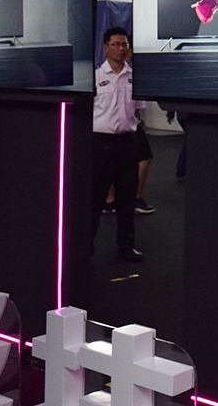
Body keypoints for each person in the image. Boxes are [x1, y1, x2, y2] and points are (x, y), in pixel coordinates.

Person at [91, 27, 146, 262]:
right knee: (94, 199)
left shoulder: (134, 77)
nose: (121, 49)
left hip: (127, 143)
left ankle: (126, 247)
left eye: (124, 45)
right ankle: (85, 247)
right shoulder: (95, 77)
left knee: (127, 200)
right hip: (101, 143)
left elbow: (137, 110)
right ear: (106, 48)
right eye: (116, 44)